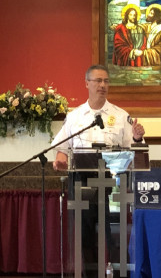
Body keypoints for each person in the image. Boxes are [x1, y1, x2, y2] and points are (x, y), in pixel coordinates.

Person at [52, 65, 144, 276]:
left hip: (113, 182)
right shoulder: (75, 117)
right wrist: (60, 160)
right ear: (87, 83)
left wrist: (137, 137)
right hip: (81, 182)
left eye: (106, 81)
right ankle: (89, 273)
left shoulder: (121, 116)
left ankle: (119, 272)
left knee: (113, 232)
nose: (102, 85)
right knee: (84, 234)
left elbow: (135, 150)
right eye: (98, 81)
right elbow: (62, 147)